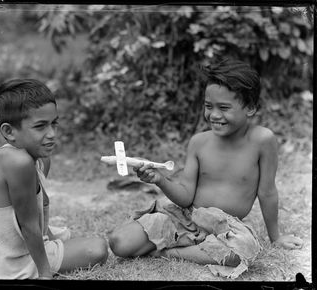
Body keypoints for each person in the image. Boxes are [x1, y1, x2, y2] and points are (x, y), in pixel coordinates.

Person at [108, 58, 303, 279]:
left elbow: (267, 192)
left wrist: (275, 237)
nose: (214, 115)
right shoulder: (199, 142)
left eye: (224, 108)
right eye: (209, 106)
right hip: (185, 218)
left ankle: (172, 252)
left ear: (250, 108)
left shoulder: (262, 140)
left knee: (243, 250)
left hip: (226, 228)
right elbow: (185, 197)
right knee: (119, 242)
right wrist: (160, 180)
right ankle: (188, 245)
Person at [0, 79, 108, 279]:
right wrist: (44, 273)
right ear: (9, 131)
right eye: (40, 127)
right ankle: (43, 259)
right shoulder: (17, 163)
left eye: (53, 123)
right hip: (6, 263)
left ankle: (50, 244)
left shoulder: (36, 159)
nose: (52, 134)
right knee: (97, 248)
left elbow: (33, 211)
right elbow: (28, 225)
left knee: (70, 236)